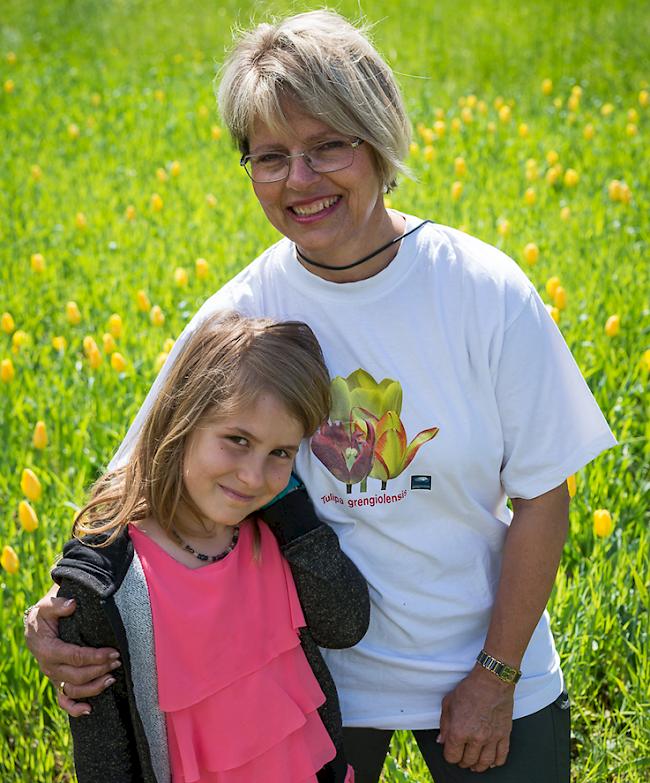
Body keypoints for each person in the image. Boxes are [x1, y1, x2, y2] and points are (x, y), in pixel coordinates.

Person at [26, 10, 617, 782]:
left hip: (487, 659)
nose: (299, 181)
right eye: (269, 157)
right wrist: (54, 611)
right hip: (311, 677)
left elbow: (545, 494)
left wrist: (497, 674)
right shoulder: (243, 313)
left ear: (378, 138)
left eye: (327, 146)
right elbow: (133, 479)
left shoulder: (484, 289)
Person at [50, 312, 367, 782]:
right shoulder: (109, 584)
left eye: (280, 453)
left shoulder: (276, 535)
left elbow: (345, 623)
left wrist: (292, 509)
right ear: (183, 419)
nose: (253, 476)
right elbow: (104, 757)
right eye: (237, 440)